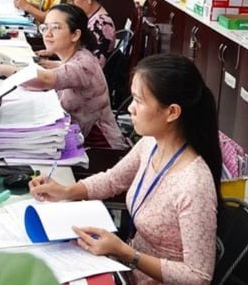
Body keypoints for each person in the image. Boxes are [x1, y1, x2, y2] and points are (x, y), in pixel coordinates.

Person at [29, 53, 222, 284]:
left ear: (172, 112)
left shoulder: (194, 184)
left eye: (139, 101)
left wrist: (126, 252)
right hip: (125, 269)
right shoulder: (151, 144)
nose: (130, 108)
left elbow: (198, 277)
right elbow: (112, 180)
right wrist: (66, 191)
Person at [0, 4, 126, 149]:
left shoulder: (84, 65)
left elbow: (45, 80)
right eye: (45, 27)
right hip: (73, 136)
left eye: (55, 27)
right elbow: (53, 72)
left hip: (99, 148)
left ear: (75, 35)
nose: (47, 34)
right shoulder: (77, 57)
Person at [40, 0, 116, 67]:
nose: (70, 5)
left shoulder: (101, 24)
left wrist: (53, 64)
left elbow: (91, 67)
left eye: (72, 0)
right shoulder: (91, 18)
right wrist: (53, 52)